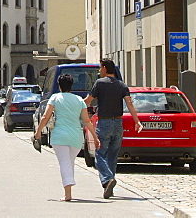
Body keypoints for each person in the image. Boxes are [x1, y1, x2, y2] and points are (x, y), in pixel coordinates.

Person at [33, 73, 99, 202]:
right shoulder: (79, 100)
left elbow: (46, 116)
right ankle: (68, 189)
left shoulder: (55, 98)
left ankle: (68, 193)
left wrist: (38, 132)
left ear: (59, 85)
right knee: (69, 162)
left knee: (64, 163)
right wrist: (95, 137)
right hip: (76, 137)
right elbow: (86, 121)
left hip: (59, 136)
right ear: (71, 85)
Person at [84, 58, 143, 199]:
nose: (99, 71)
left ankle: (107, 179)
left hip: (104, 123)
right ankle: (108, 185)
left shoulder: (99, 83)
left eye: (100, 68)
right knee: (112, 155)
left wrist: (77, 109)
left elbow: (88, 100)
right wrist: (137, 121)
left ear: (104, 68)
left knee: (99, 154)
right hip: (118, 123)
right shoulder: (121, 85)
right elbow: (130, 104)